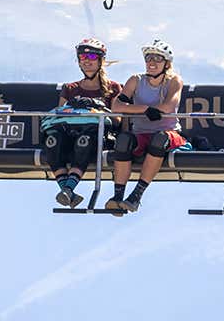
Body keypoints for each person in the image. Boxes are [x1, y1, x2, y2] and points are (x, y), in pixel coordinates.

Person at [106, 38, 187, 214]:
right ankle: (118, 197)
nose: (152, 62)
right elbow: (117, 106)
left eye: (158, 59)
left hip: (169, 133)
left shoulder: (174, 81)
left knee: (159, 140)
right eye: (149, 58)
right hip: (141, 133)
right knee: (123, 141)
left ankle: (136, 196)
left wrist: (134, 110)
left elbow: (168, 107)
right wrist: (145, 109)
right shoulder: (136, 80)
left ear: (166, 63)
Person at [42, 37, 122, 207]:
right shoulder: (70, 88)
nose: (87, 62)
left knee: (84, 141)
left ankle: (67, 189)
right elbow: (59, 118)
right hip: (69, 134)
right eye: (82, 58)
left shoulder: (113, 88)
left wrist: (97, 106)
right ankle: (68, 190)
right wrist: (73, 105)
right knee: (52, 140)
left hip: (97, 136)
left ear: (101, 60)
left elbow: (118, 120)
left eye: (92, 57)